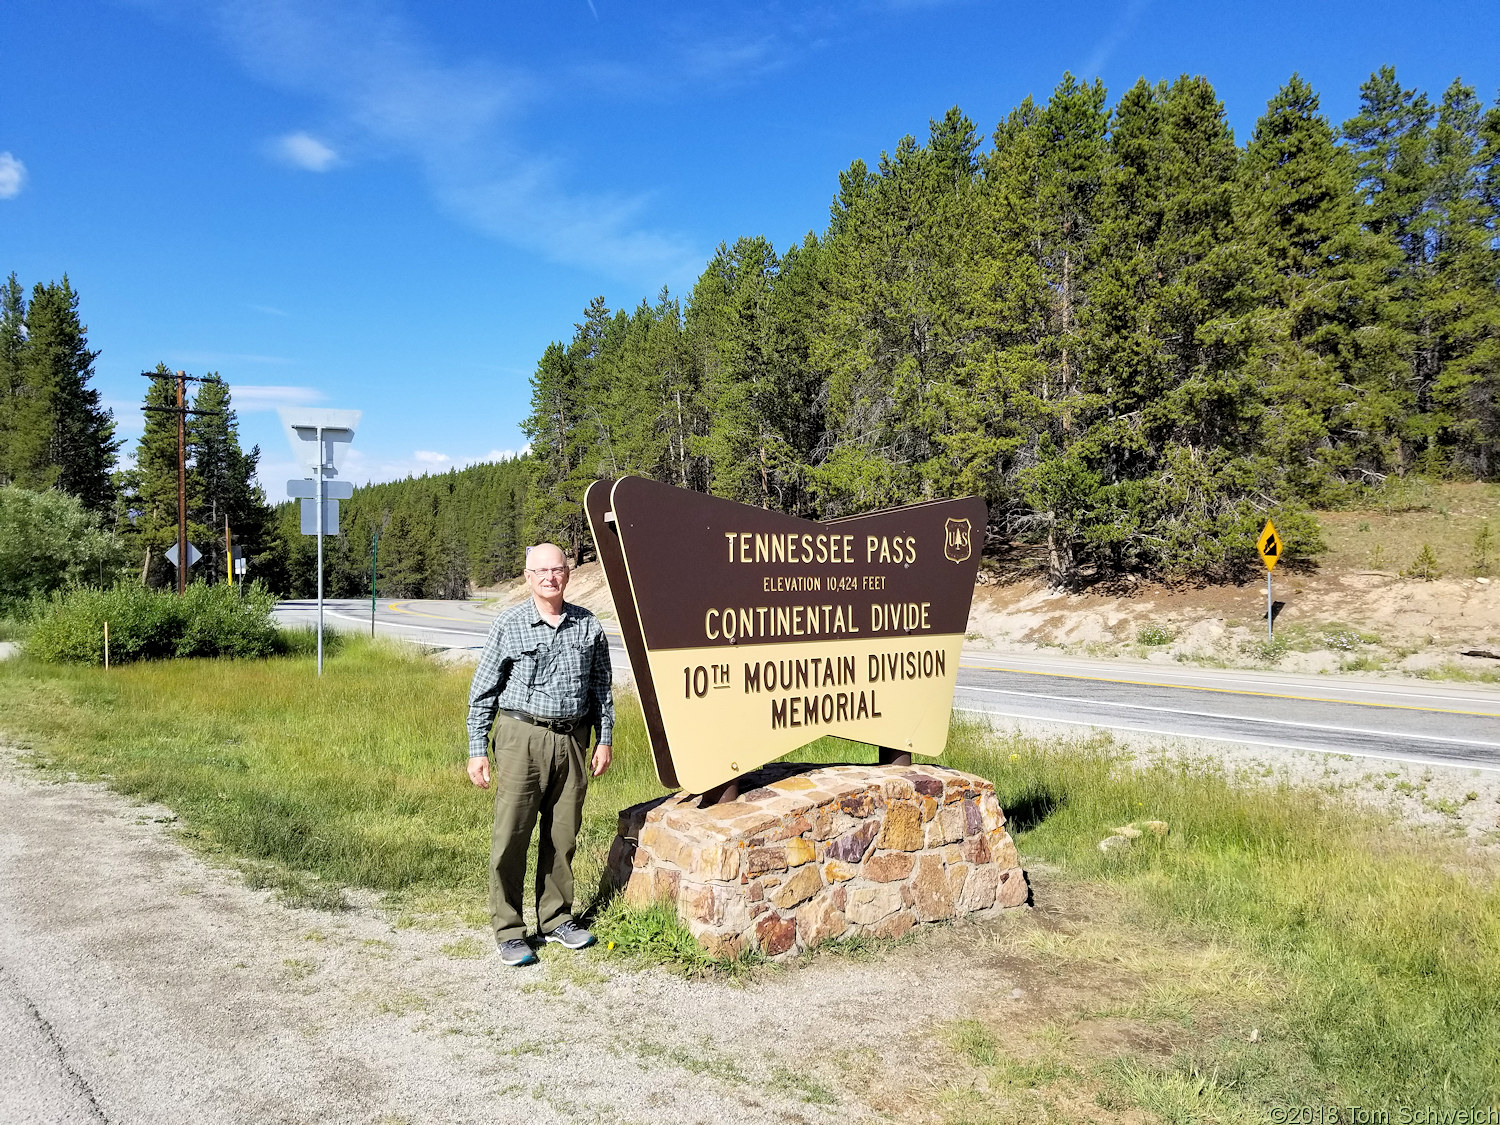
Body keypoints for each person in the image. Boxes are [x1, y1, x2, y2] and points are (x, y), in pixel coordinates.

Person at [466, 542, 613, 966]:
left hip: (572, 740)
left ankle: (556, 919)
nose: (550, 577)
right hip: (521, 738)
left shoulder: (588, 626)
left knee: (562, 835)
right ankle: (510, 930)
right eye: (541, 571)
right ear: (528, 576)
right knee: (512, 834)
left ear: (568, 573)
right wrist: (478, 748)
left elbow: (602, 689)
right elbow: (483, 692)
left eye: (558, 569)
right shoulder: (509, 625)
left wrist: (604, 739)